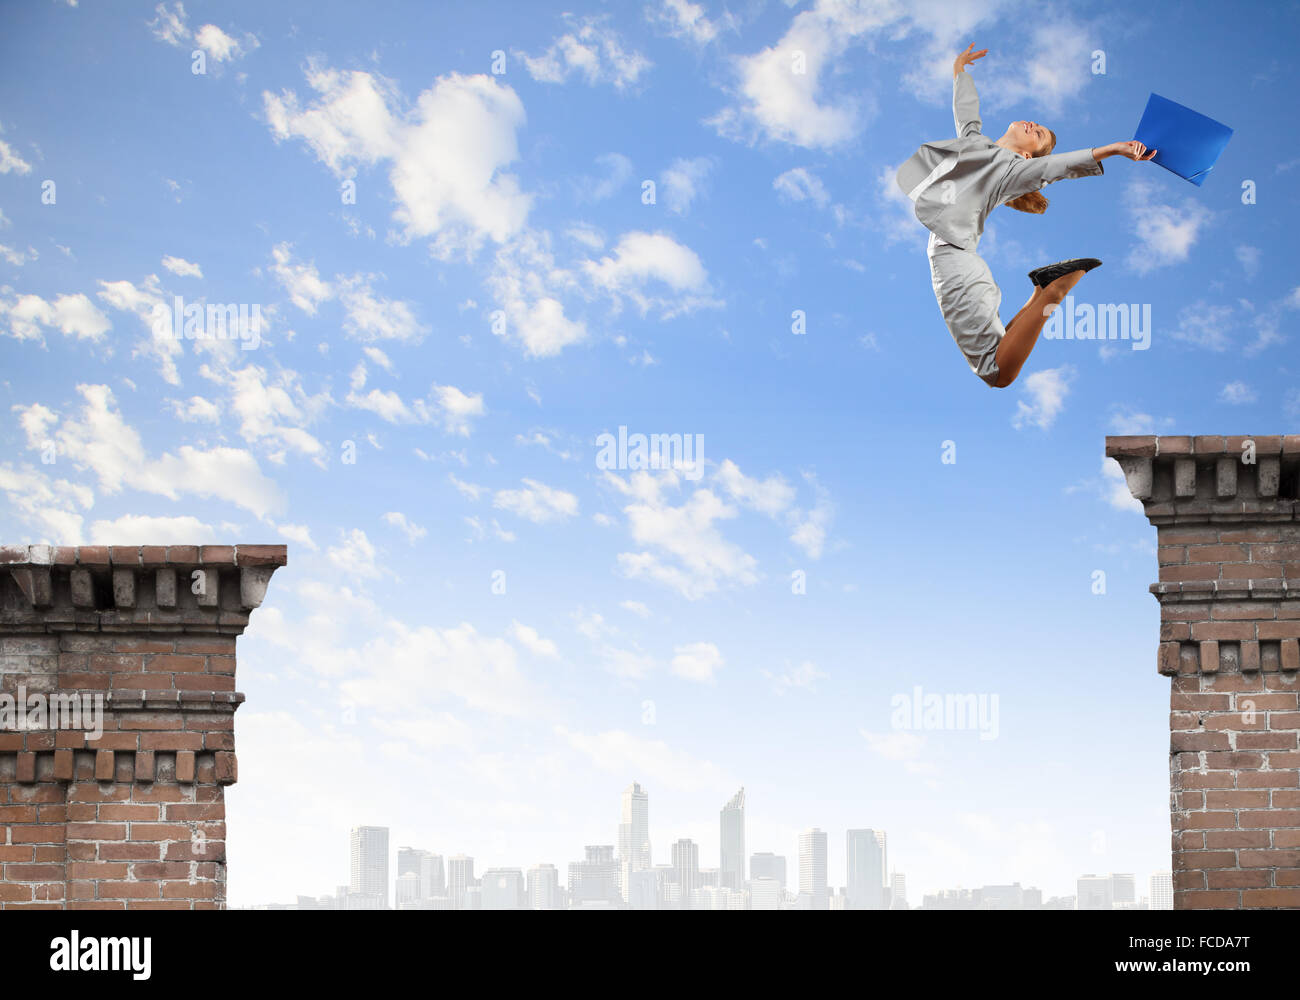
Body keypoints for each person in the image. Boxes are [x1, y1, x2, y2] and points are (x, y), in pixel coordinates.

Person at [896, 44, 1158, 388]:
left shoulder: (1013, 171)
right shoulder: (977, 145)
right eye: (1038, 126)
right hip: (958, 255)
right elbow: (967, 114)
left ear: (1025, 154)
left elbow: (1053, 167)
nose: (1035, 126)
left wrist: (1111, 149)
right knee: (999, 355)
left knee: (998, 372)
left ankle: (1051, 292)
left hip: (952, 256)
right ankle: (1043, 292)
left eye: (1039, 136)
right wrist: (960, 70)